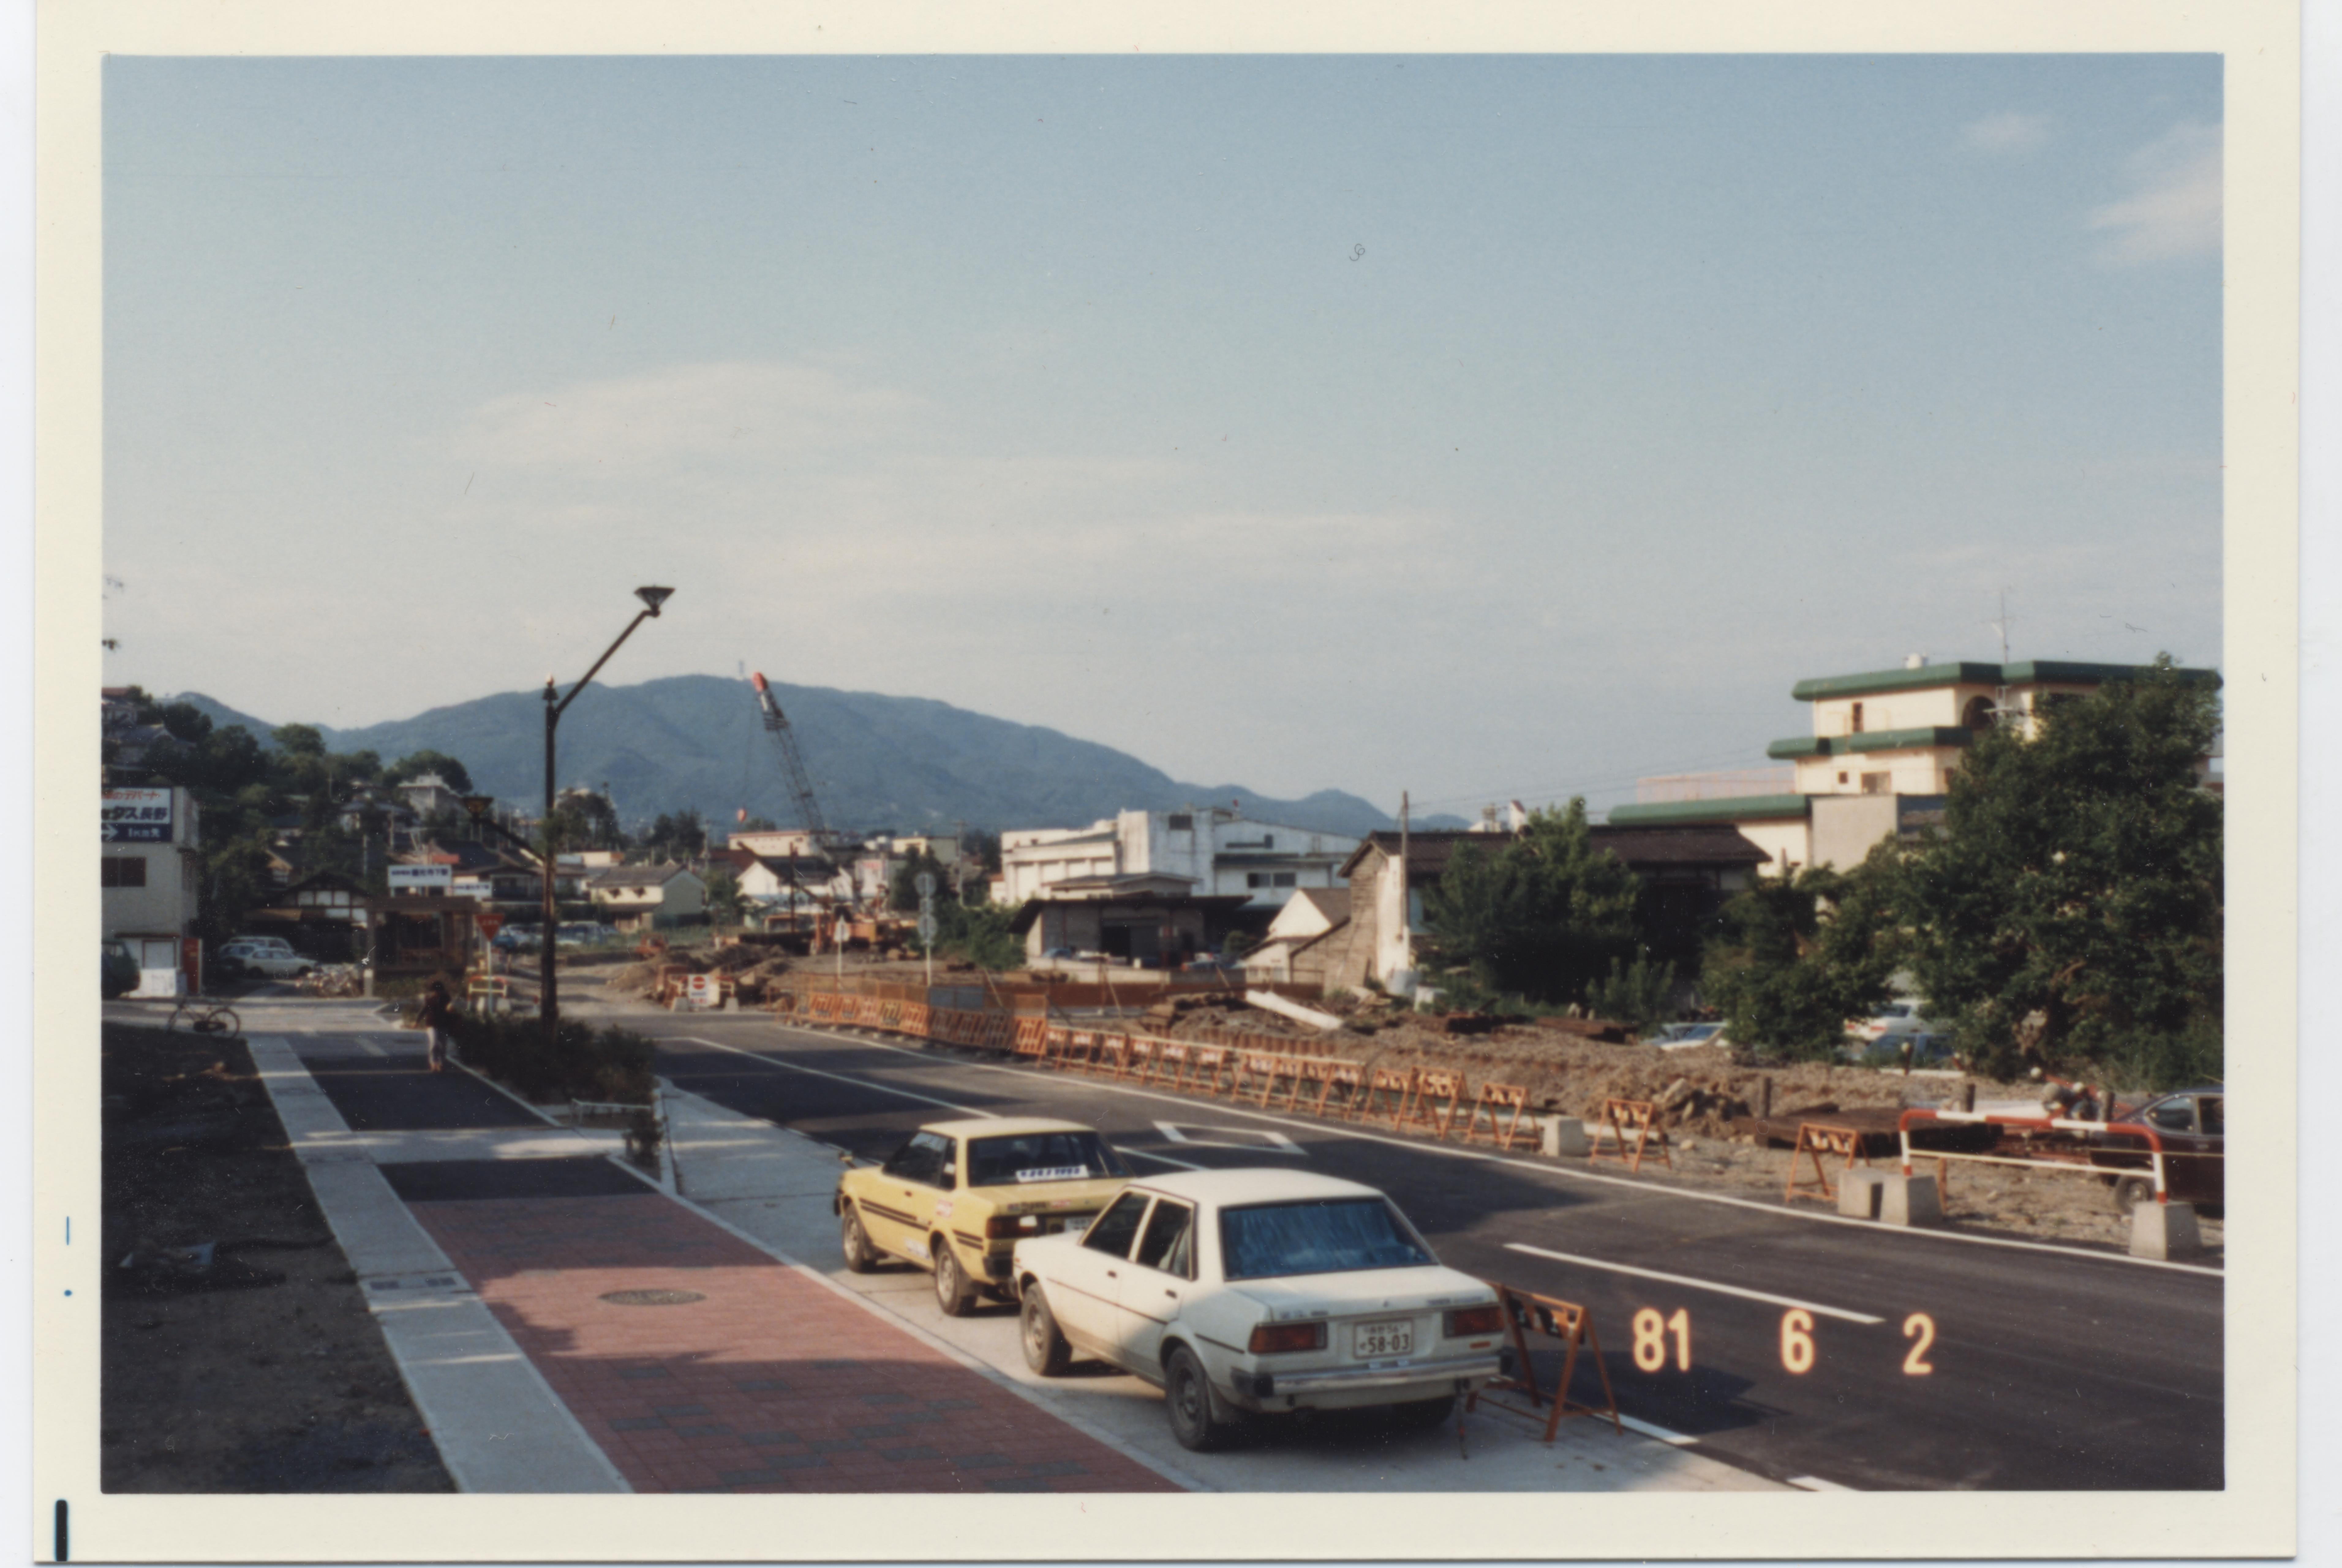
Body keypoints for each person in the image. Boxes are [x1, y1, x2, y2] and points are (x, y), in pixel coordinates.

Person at [418, 980, 455, 1073]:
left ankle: (441, 1064)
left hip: (444, 1024)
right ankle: (433, 1063)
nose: (437, 993)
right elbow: (424, 1010)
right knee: (434, 1044)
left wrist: (451, 1009)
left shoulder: (446, 998)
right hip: (431, 1024)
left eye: (438, 991)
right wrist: (417, 1021)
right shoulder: (429, 998)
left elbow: (450, 1009)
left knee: (443, 1046)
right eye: (435, 991)